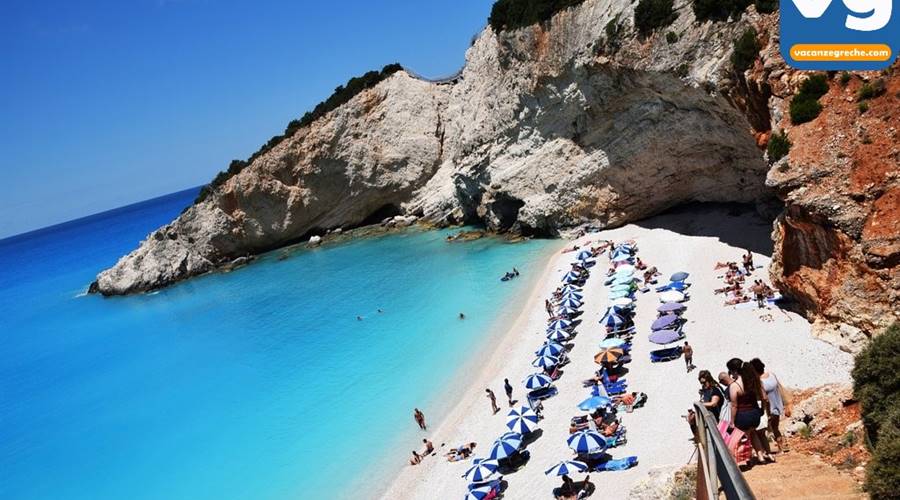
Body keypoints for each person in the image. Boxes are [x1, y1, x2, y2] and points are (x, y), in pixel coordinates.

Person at [727, 359, 774, 464]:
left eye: (730, 372)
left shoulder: (735, 386)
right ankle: (761, 457)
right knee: (753, 433)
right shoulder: (753, 381)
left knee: (738, 440)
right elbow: (764, 397)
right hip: (755, 414)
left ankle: (743, 460)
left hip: (743, 416)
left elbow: (734, 406)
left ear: (735, 371)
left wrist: (732, 421)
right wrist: (763, 410)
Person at [751, 358, 791, 452]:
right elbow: (780, 389)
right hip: (777, 406)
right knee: (775, 428)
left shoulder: (759, 381)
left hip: (767, 409)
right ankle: (781, 449)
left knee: (762, 431)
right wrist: (785, 405)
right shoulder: (772, 375)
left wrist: (766, 412)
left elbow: (765, 398)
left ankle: (765, 451)